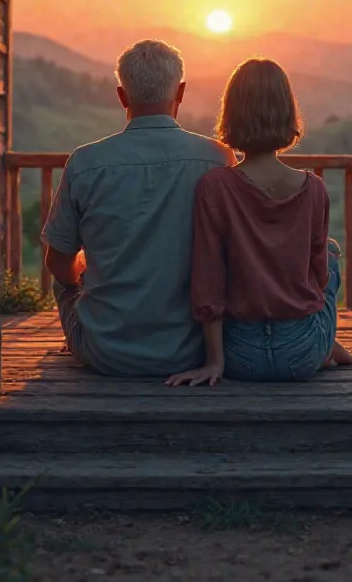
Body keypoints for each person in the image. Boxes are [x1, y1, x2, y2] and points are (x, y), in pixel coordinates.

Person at [41, 39, 235, 377]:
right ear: (181, 92)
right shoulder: (217, 158)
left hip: (105, 353)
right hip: (191, 350)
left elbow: (56, 263)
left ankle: (83, 332)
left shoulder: (86, 162)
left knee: (66, 271)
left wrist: (83, 276)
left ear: (121, 96)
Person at [166, 57, 352, 388]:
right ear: (286, 113)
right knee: (330, 254)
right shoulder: (314, 189)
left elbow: (208, 279)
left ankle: (328, 344)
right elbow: (321, 277)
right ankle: (327, 343)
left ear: (232, 114)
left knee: (324, 253)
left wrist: (215, 362)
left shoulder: (215, 187)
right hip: (303, 353)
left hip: (241, 356)